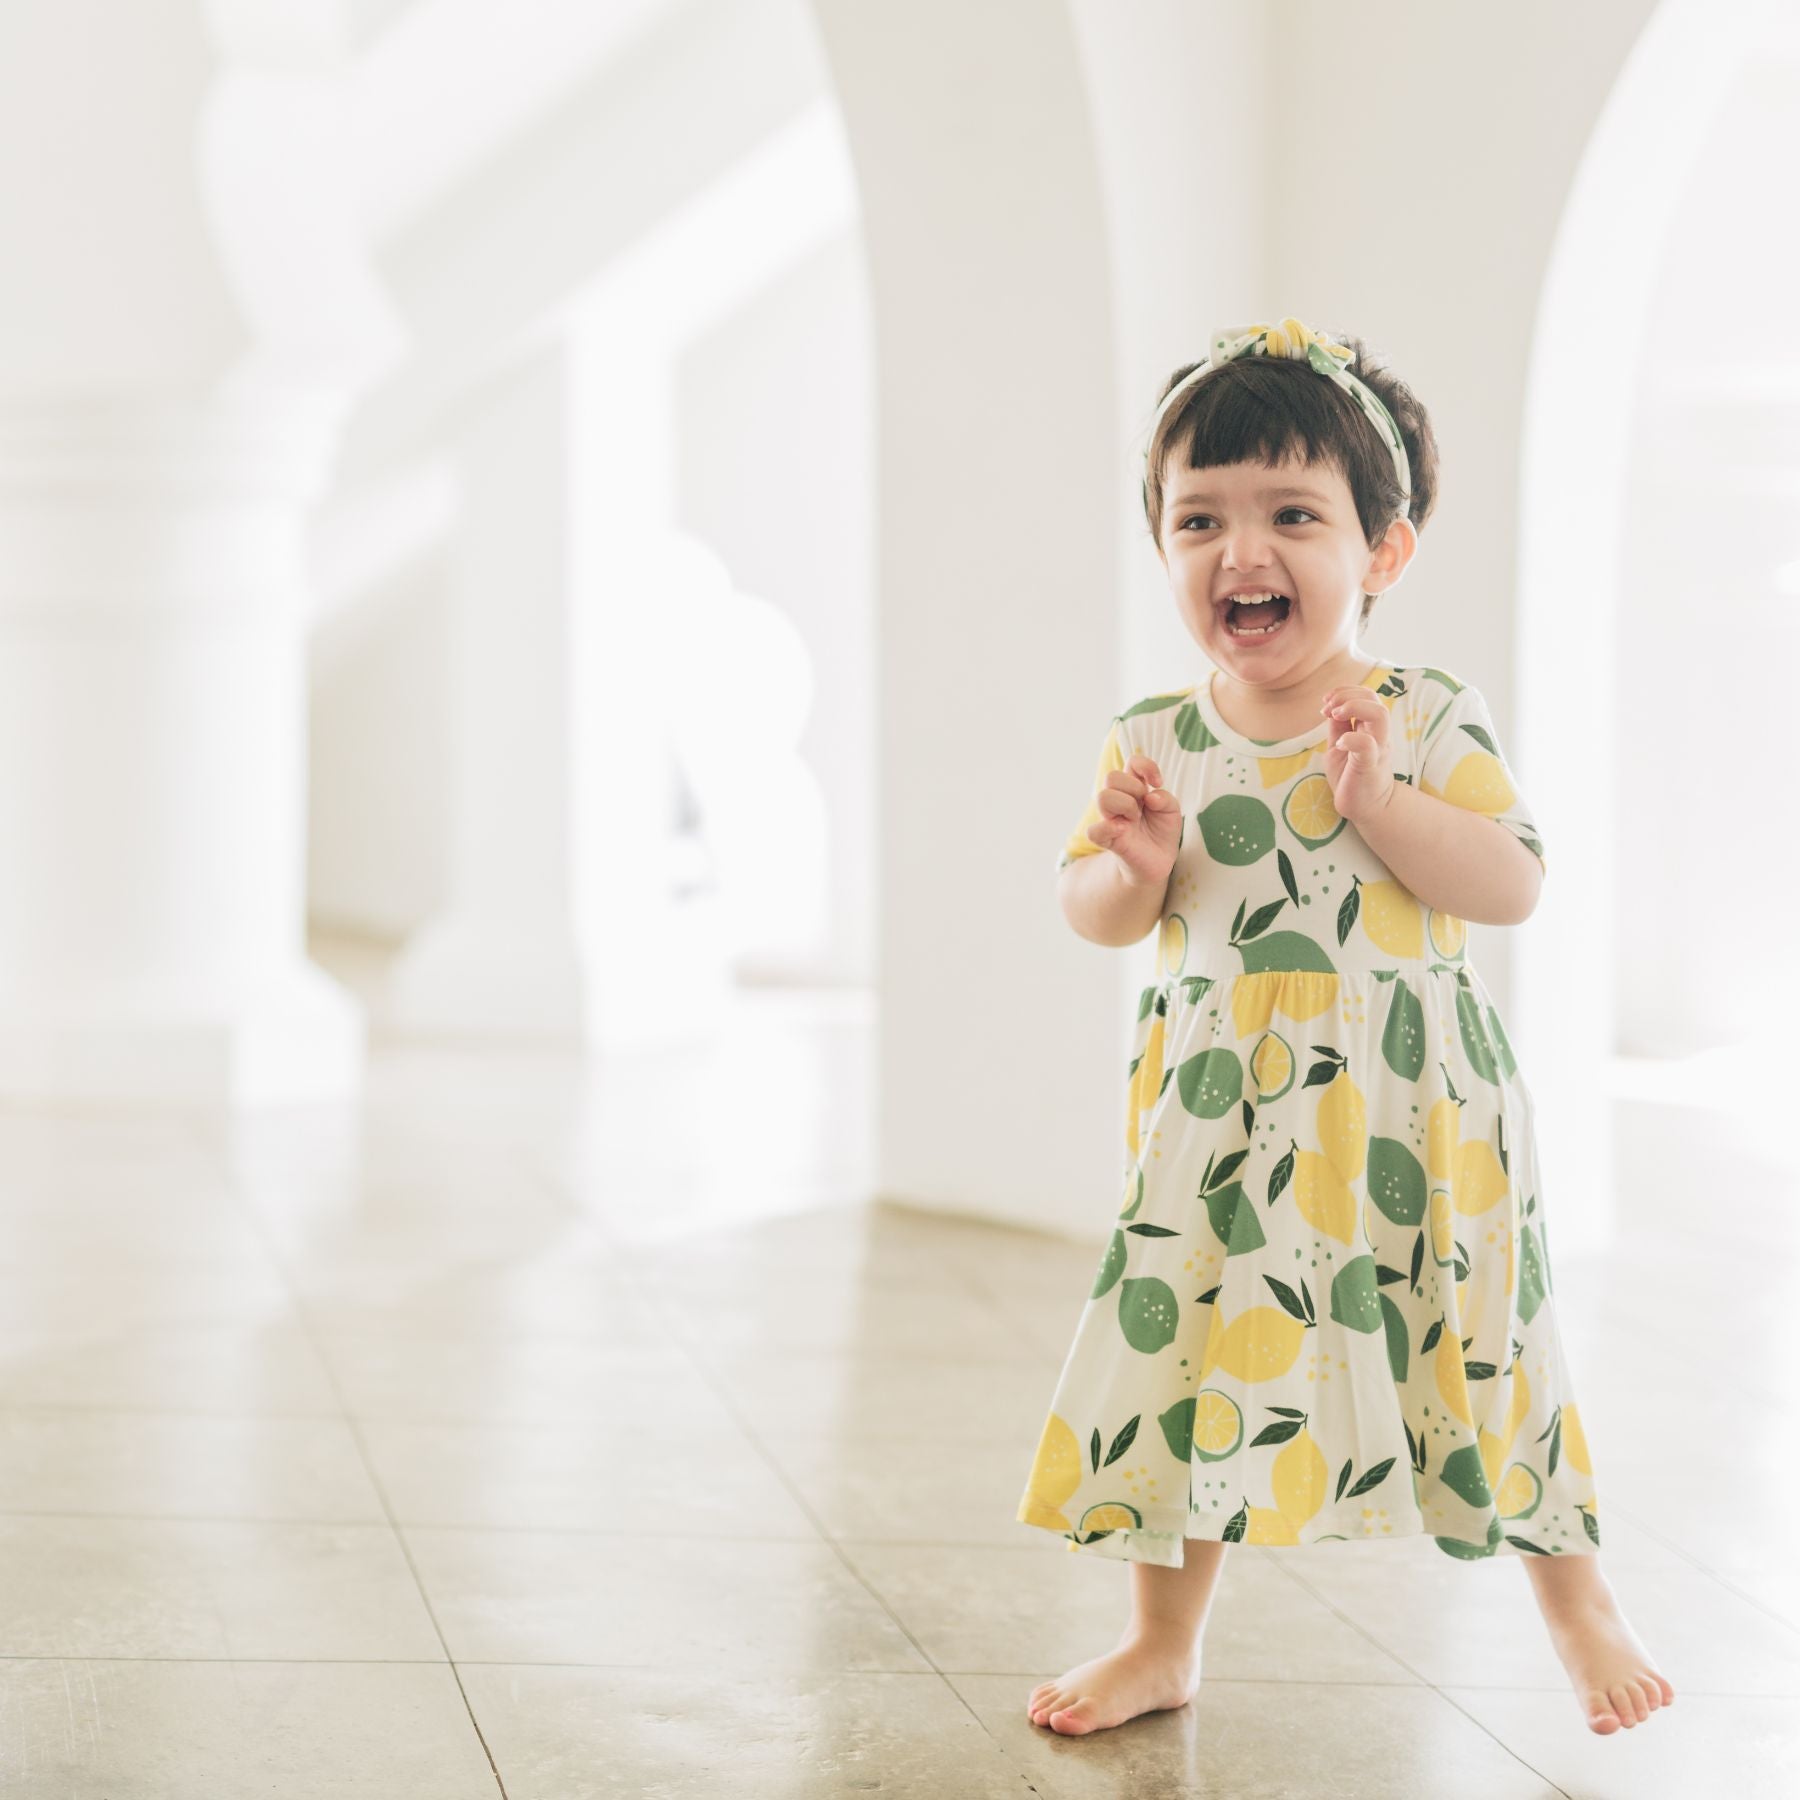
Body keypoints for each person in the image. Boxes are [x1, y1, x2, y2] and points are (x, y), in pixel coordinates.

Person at [1016, 318, 1675, 1739]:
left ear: (1385, 551)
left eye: (1292, 516)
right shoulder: (1155, 738)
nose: (1239, 552)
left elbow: (1510, 881)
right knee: (1186, 1352)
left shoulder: (1422, 715)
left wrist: (1382, 804)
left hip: (1413, 1121)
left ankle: (1579, 1605)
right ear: (1164, 547)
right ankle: (1160, 1639)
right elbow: (1095, 910)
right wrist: (1123, 868)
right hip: (1219, 1125)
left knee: (1483, 1343)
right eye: (1200, 519)